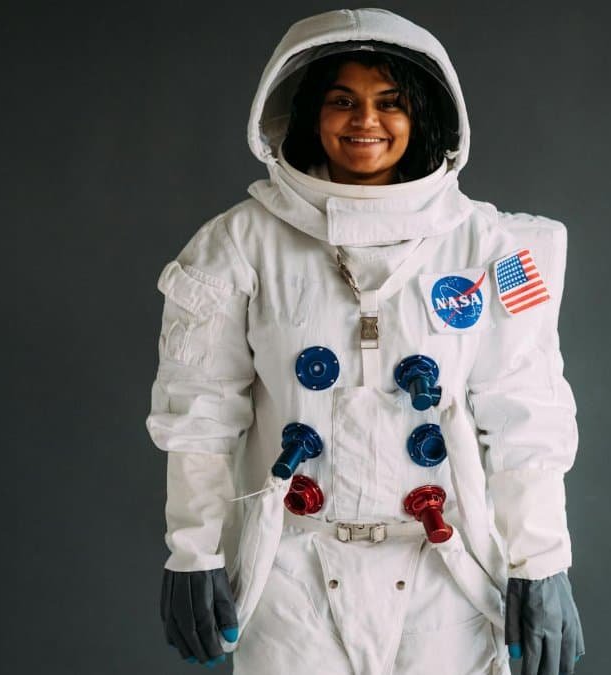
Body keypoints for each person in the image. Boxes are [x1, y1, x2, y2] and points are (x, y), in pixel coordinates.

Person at [147, 8, 584, 675]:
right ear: (306, 113)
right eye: (342, 101)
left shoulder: (487, 247)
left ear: (425, 116)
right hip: (294, 571)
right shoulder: (240, 244)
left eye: (389, 103)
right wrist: (194, 549)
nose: (365, 121)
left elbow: (526, 412)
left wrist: (542, 560)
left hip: (445, 572)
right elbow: (198, 414)